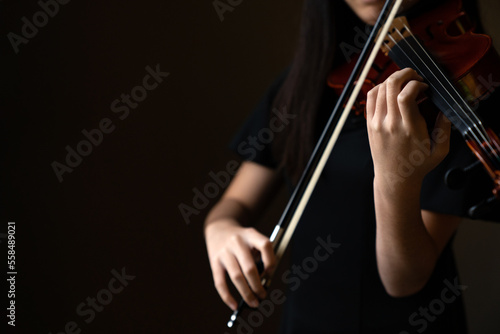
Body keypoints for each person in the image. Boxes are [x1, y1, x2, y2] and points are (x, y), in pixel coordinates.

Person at [204, 0, 499, 332]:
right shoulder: (306, 84)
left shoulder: (457, 89)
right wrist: (220, 228)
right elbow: (236, 203)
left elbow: (404, 279)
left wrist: (393, 180)